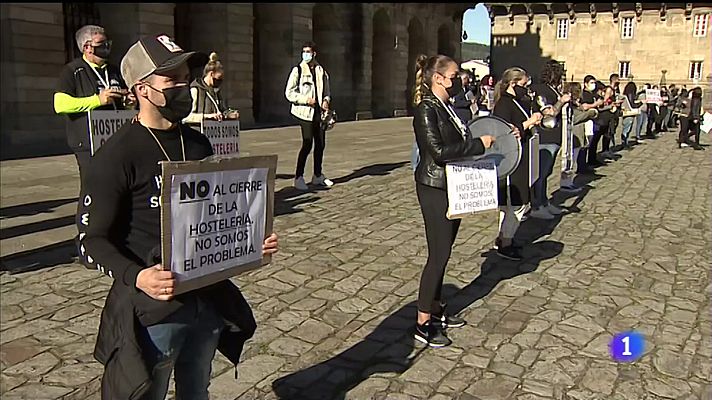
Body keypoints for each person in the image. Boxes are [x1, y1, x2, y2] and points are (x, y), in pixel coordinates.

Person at [78, 34, 279, 399]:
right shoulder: (115, 156)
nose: (184, 87)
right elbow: (90, 242)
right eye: (171, 80)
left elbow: (216, 213)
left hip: (208, 304)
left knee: (197, 389)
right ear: (142, 89)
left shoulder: (200, 144)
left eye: (186, 77)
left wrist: (250, 242)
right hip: (156, 313)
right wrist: (138, 276)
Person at [411, 54, 496, 347]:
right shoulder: (426, 109)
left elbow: (457, 138)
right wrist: (477, 145)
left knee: (445, 250)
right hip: (434, 185)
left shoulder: (446, 107)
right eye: (455, 75)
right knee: (438, 254)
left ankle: (435, 308)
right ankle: (422, 321)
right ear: (438, 78)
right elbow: (437, 150)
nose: (460, 79)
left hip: (453, 183)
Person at [54, 25, 131, 260]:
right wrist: (97, 99)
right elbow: (60, 104)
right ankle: (88, 245)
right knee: (93, 193)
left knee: (121, 191)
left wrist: (129, 98)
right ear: (87, 47)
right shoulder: (73, 71)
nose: (106, 47)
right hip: (88, 143)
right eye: (102, 44)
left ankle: (118, 239)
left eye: (108, 43)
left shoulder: (113, 70)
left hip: (116, 140)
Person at [492, 67, 541, 260]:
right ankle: (506, 241)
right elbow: (504, 133)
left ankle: (506, 237)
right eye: (523, 84)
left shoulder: (517, 101)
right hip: (512, 160)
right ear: (513, 83)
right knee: (515, 203)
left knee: (514, 204)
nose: (525, 88)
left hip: (521, 156)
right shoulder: (504, 104)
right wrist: (528, 123)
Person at [285, 41, 333, 191]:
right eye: (304, 51)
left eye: (308, 51)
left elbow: (327, 91)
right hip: (304, 112)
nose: (306, 54)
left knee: (320, 144)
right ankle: (298, 177)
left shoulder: (321, 71)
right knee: (307, 143)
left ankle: (317, 175)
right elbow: (289, 93)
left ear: (314, 53)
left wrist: (326, 100)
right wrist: (305, 100)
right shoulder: (297, 70)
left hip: (319, 113)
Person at [529, 60, 571, 219]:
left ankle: (544, 201)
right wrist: (562, 101)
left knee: (546, 173)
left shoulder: (553, 89)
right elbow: (549, 112)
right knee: (540, 173)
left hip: (555, 137)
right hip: (545, 137)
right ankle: (536, 205)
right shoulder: (541, 90)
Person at [184, 52, 239, 129]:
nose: (220, 82)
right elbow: (186, 117)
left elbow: (222, 110)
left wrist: (229, 114)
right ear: (211, 74)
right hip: (198, 132)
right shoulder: (195, 90)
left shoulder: (216, 91)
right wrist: (207, 116)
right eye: (218, 79)